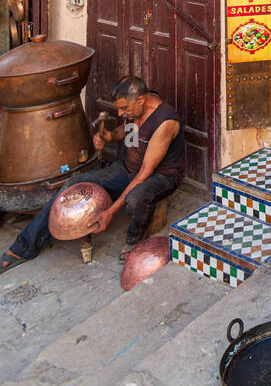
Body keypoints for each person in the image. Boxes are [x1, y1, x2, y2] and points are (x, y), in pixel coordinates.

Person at [0, 75, 185, 273]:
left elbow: (144, 174)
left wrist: (109, 213)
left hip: (160, 176)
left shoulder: (166, 122)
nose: (121, 113)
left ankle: (133, 240)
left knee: (135, 198)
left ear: (140, 100)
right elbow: (126, 130)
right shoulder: (135, 107)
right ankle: (24, 246)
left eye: (124, 108)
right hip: (127, 168)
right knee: (73, 183)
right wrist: (110, 136)